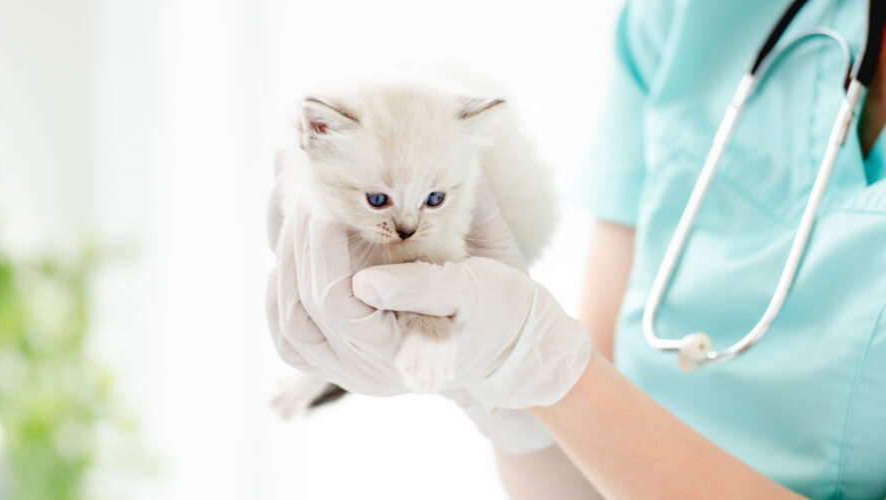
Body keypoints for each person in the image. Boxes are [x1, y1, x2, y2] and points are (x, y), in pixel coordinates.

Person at [266, 0, 886, 497]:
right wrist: (507, 409)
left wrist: (552, 372)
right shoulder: (690, 17)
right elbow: (577, 483)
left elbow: (579, 383)